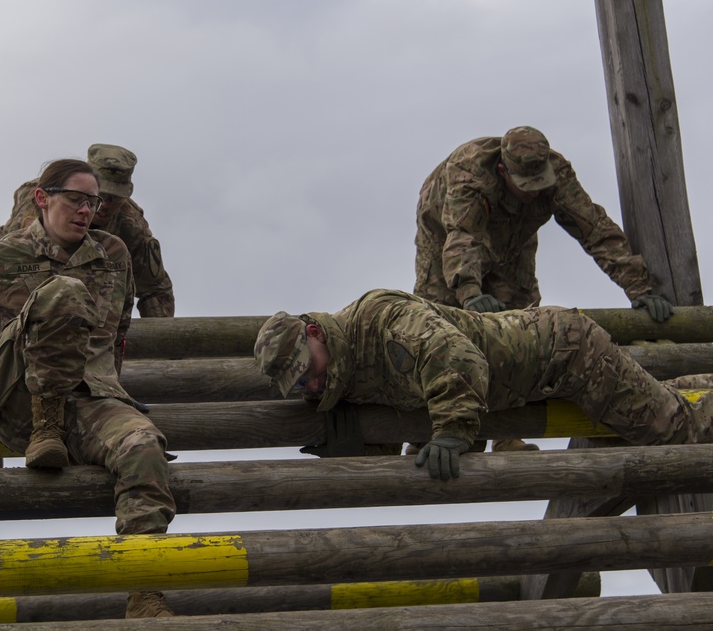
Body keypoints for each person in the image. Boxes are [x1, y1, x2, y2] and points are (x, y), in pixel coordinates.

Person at [0, 159, 177, 618]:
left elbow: (117, 331)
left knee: (143, 446)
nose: (86, 211)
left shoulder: (113, 254)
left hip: (87, 404)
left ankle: (144, 592)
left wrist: (114, 389)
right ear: (43, 199)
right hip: (18, 404)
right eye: (75, 200)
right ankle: (45, 429)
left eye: (93, 202)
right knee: (62, 291)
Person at [253, 288, 712, 481]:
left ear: (313, 333)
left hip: (564, 352)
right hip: (536, 382)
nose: (309, 384)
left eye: (305, 368)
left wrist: (452, 434)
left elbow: (458, 358)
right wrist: (352, 450)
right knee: (655, 408)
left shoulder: (380, 319)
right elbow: (398, 417)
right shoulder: (344, 369)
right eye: (298, 384)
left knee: (675, 432)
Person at [413, 125, 674, 454]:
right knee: (440, 323)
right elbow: (462, 237)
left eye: (540, 185)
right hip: (445, 237)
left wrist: (639, 289)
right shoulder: (469, 176)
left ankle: (507, 434)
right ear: (502, 171)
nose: (536, 192)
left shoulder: (557, 175)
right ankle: (428, 431)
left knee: (521, 323)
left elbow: (594, 229)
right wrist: (469, 293)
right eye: (527, 186)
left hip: (514, 239)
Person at [0, 144, 175, 470]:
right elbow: (16, 274)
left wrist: (160, 347)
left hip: (86, 306)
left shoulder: (128, 223)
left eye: (112, 199)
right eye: (90, 195)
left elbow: (155, 287)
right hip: (17, 300)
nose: (100, 207)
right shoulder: (42, 201)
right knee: (13, 343)